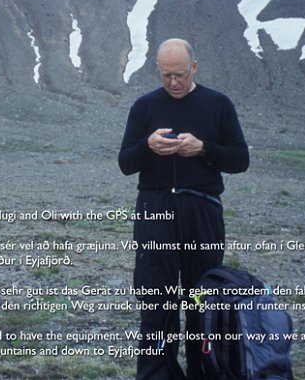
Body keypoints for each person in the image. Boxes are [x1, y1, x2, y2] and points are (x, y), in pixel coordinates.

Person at [118, 38, 249, 380]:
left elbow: (240, 159)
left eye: (179, 74)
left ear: (194, 67)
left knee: (201, 301)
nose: (173, 82)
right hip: (155, 210)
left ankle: (205, 373)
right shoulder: (144, 107)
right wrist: (147, 146)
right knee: (156, 303)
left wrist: (204, 149)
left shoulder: (217, 104)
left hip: (202, 211)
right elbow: (125, 163)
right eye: (165, 76)